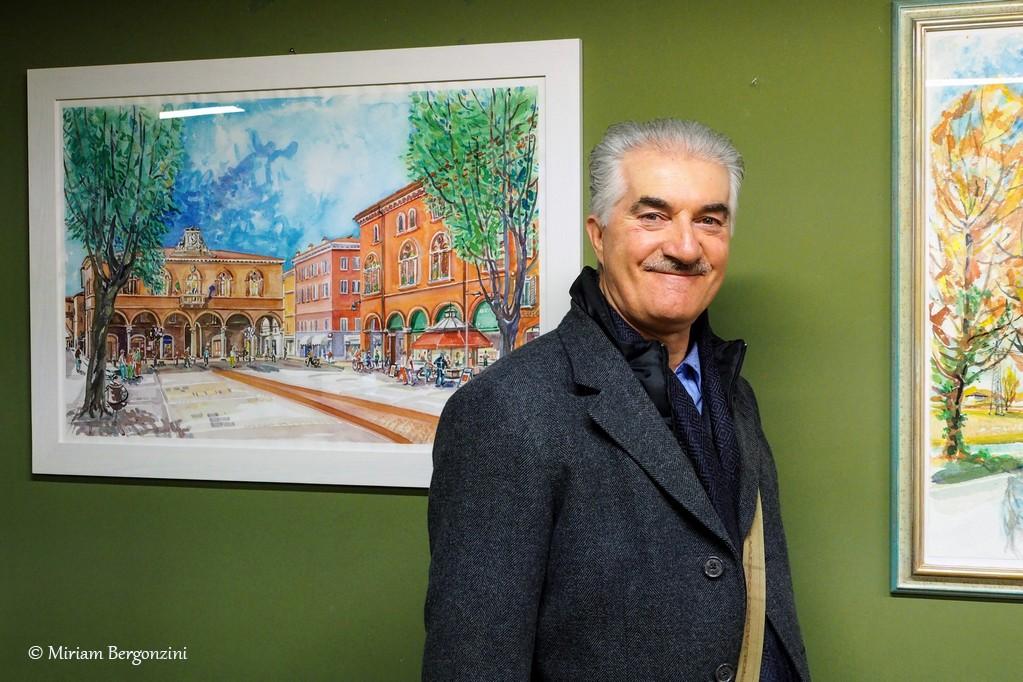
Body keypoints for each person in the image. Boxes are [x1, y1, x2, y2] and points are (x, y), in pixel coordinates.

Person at [423, 119, 809, 681]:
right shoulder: (506, 409)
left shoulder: (734, 393)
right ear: (599, 235)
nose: (685, 247)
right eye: (653, 216)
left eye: (709, 220)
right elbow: (473, 663)